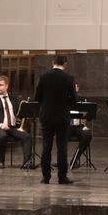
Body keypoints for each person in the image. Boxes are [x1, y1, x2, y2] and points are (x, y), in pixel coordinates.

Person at [34, 54, 77, 184]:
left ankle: (45, 177)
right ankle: (62, 177)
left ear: (53, 62)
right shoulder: (69, 78)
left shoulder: (43, 76)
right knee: (62, 147)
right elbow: (73, 100)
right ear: (65, 64)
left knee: (46, 147)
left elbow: (37, 97)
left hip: (46, 116)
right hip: (62, 117)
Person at [0, 75, 32, 168]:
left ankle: (27, 162)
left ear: (7, 86)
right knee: (2, 135)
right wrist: (0, 124)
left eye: (1, 85)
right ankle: (1, 161)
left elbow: (17, 113)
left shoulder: (13, 98)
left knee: (27, 136)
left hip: (10, 127)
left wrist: (24, 110)